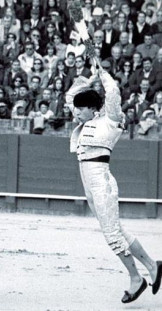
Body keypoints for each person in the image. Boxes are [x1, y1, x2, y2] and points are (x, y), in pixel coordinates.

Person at [66, 61, 162, 304]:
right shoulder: (86, 120)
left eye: (80, 109)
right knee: (116, 229)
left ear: (93, 109)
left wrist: (104, 74)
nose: (75, 112)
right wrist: (89, 76)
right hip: (89, 180)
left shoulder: (110, 120)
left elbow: (114, 93)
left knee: (111, 234)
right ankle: (152, 266)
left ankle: (135, 278)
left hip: (101, 181)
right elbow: (71, 94)